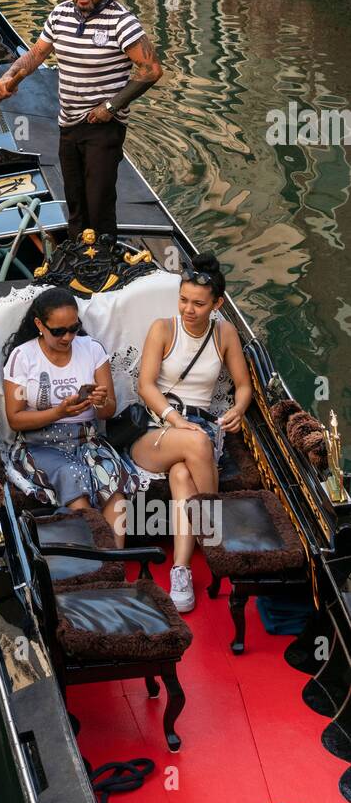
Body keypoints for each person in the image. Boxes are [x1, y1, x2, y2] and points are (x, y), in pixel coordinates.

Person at [0, 0, 164, 240]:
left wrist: (110, 107)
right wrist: (11, 75)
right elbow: (36, 55)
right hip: (68, 123)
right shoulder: (59, 15)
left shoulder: (121, 21)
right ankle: (78, 258)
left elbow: (151, 70)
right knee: (74, 201)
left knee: (98, 204)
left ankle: (104, 260)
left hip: (103, 126)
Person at [130, 251, 252, 614]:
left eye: (199, 303)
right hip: (154, 430)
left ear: (217, 303)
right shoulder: (163, 329)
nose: (188, 309)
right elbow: (145, 386)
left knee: (183, 474)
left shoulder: (225, 333)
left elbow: (243, 386)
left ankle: (180, 571)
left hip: (197, 431)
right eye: (184, 300)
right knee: (197, 440)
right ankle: (218, 535)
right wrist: (174, 418)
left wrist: (238, 409)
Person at [3, 286, 136, 539]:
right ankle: (98, 559)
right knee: (72, 475)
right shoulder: (23, 357)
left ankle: (115, 560)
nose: (67, 337)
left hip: (88, 439)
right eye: (58, 331)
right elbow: (15, 419)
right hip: (39, 443)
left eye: (73, 328)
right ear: (39, 325)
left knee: (112, 481)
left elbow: (108, 411)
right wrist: (58, 412)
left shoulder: (92, 349)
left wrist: (100, 401)